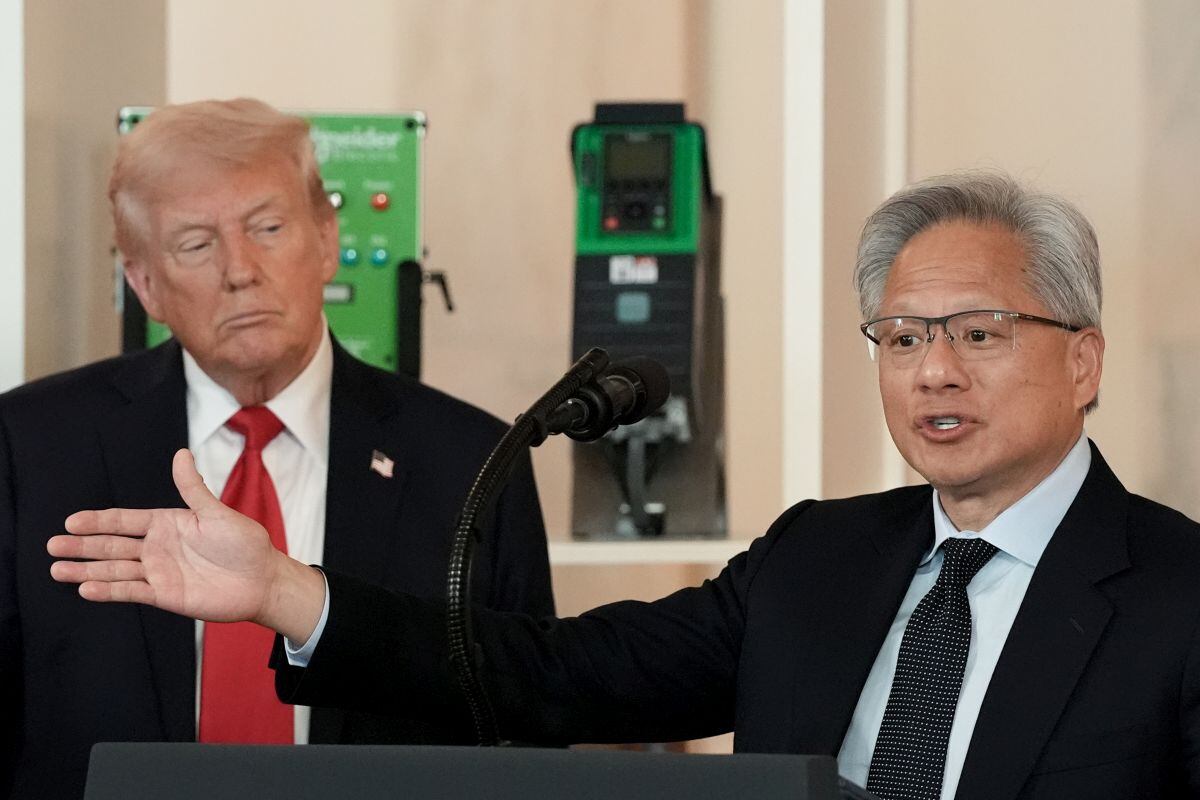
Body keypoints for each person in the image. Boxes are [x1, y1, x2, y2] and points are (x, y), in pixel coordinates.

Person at [49, 172, 1200, 799]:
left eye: (978, 332)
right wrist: (287, 592)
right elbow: (558, 677)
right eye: (900, 337)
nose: (933, 368)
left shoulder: (1178, 595)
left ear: (1083, 356)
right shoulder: (818, 558)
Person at [0, 98, 555, 800]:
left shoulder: (471, 461)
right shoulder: (33, 445)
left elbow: (530, 732)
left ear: (327, 240)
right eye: (197, 244)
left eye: (268, 227)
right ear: (144, 284)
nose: (241, 269)